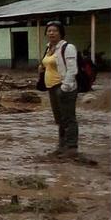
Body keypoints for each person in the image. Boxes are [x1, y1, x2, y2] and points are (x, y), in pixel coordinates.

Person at [39, 20, 79, 156]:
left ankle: (72, 147)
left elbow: (72, 70)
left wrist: (65, 88)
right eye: (49, 31)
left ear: (61, 32)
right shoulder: (48, 48)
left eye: (55, 30)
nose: (51, 33)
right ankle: (62, 146)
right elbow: (49, 64)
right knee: (59, 119)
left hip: (64, 87)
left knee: (68, 118)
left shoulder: (67, 47)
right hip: (51, 88)